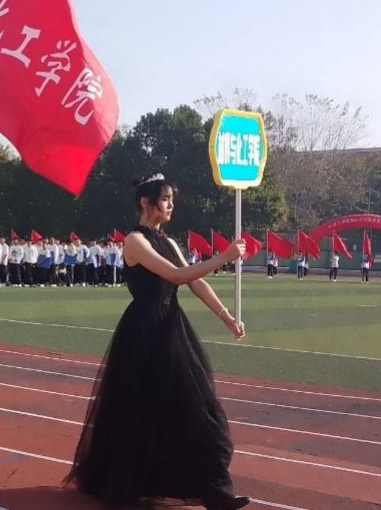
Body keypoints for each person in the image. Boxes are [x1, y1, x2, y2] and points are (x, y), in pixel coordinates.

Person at [68, 174, 248, 510]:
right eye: (165, 199)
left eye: (171, 200)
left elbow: (195, 282)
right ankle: (134, 483)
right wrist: (223, 257)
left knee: (197, 409)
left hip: (171, 327)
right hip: (143, 332)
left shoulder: (168, 241)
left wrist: (226, 317)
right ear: (145, 202)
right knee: (142, 412)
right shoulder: (135, 241)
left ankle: (214, 492)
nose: (171, 205)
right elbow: (177, 276)